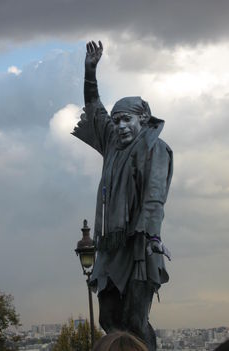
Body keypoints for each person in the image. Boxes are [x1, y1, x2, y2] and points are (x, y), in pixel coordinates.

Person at [72, 41, 173, 351]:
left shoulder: (156, 149)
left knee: (133, 321)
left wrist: (149, 235)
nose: (119, 126)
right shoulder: (112, 144)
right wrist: (90, 71)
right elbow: (94, 109)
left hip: (139, 243)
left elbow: (154, 198)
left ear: (143, 120)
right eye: (116, 121)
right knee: (109, 319)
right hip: (111, 246)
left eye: (126, 119)